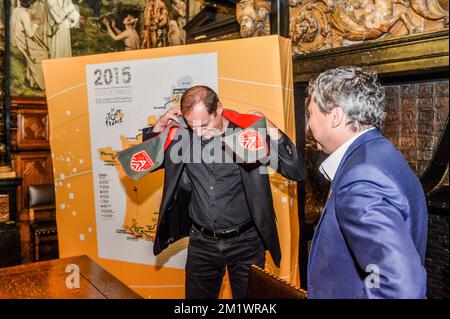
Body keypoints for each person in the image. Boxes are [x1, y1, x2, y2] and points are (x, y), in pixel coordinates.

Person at [142, 86, 306, 298]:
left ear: (218, 108)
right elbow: (145, 164)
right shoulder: (183, 137)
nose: (199, 132)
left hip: (246, 243)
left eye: (204, 124)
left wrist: (269, 128)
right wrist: (158, 126)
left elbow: (296, 170)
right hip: (202, 244)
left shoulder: (247, 134)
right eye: (193, 126)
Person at [305, 66, 428, 299]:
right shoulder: (379, 152)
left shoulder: (361, 177)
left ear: (335, 116)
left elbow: (402, 286)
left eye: (311, 114)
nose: (308, 125)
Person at [12, 0, 50, 90]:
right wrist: (36, 24)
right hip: (23, 43)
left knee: (42, 49)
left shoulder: (17, 10)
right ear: (30, 4)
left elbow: (21, 25)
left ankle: (31, 80)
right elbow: (30, 34)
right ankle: (39, 84)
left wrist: (32, 21)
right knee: (43, 54)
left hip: (18, 39)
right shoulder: (24, 14)